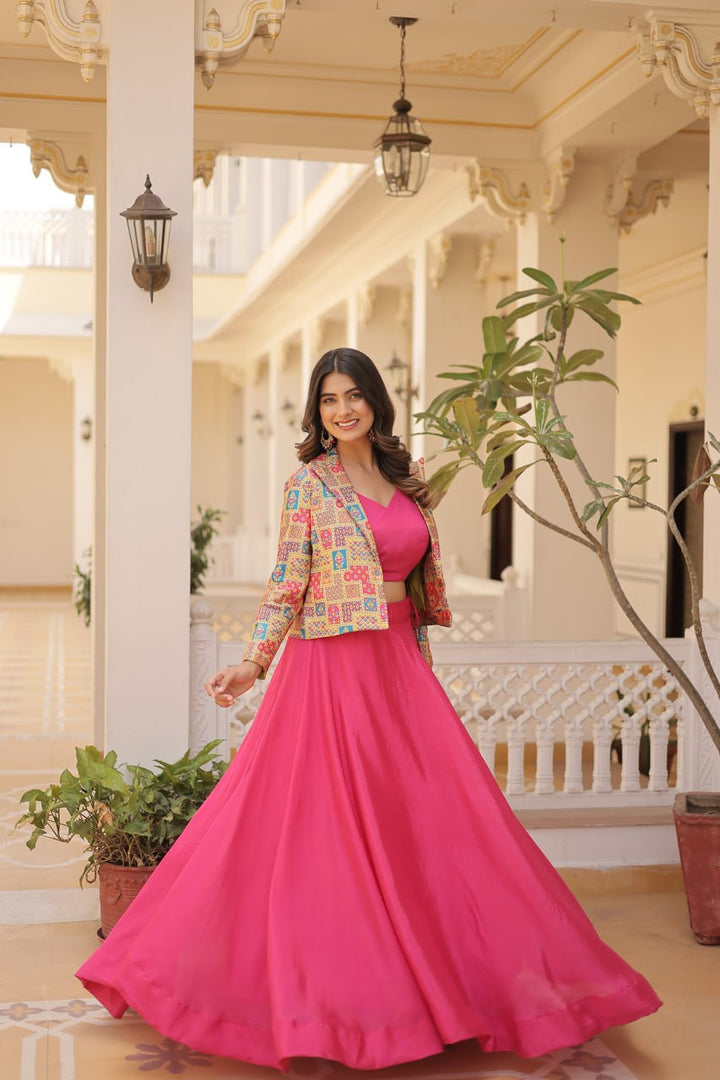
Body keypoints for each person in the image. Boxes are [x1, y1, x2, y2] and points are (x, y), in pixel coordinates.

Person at [76, 348, 661, 1073]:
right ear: (316, 414)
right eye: (328, 399)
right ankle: (330, 1008)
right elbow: (286, 582)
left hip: (398, 665)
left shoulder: (405, 481)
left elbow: (417, 583)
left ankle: (449, 992)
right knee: (318, 837)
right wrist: (253, 662)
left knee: (438, 821)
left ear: (376, 403)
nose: (342, 409)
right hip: (328, 668)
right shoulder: (308, 485)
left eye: (353, 396)